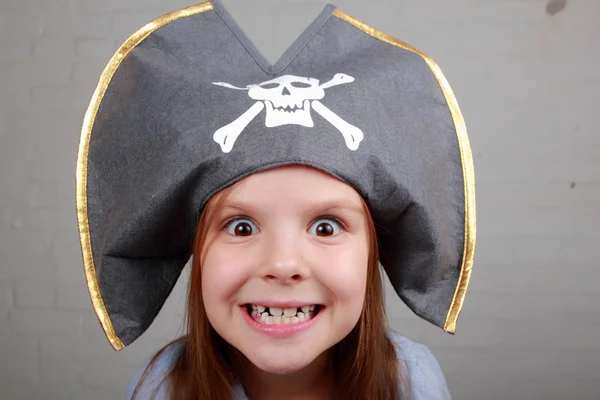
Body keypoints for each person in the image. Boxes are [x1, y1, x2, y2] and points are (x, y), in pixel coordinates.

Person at [75, 1, 476, 399]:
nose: (283, 265)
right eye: (241, 226)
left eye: (325, 226)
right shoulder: (162, 388)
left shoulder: (411, 381)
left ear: (374, 250)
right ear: (196, 249)